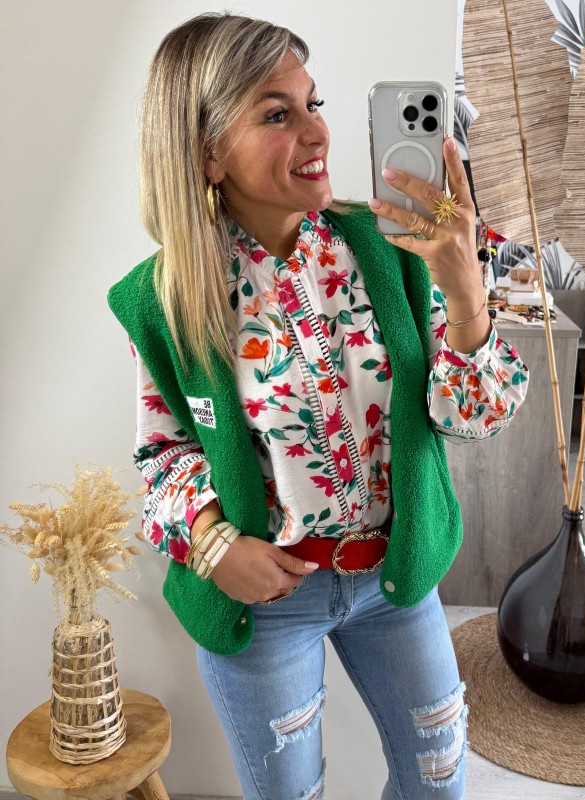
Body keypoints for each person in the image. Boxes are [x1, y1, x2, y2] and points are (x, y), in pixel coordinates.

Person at [107, 13, 529, 800]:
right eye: (278, 113)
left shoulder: (392, 247)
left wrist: (466, 287)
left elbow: (477, 417)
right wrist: (212, 544)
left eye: (314, 103)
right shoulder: (163, 300)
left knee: (438, 786)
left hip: (396, 579)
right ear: (206, 153)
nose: (317, 132)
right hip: (267, 604)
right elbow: (162, 454)